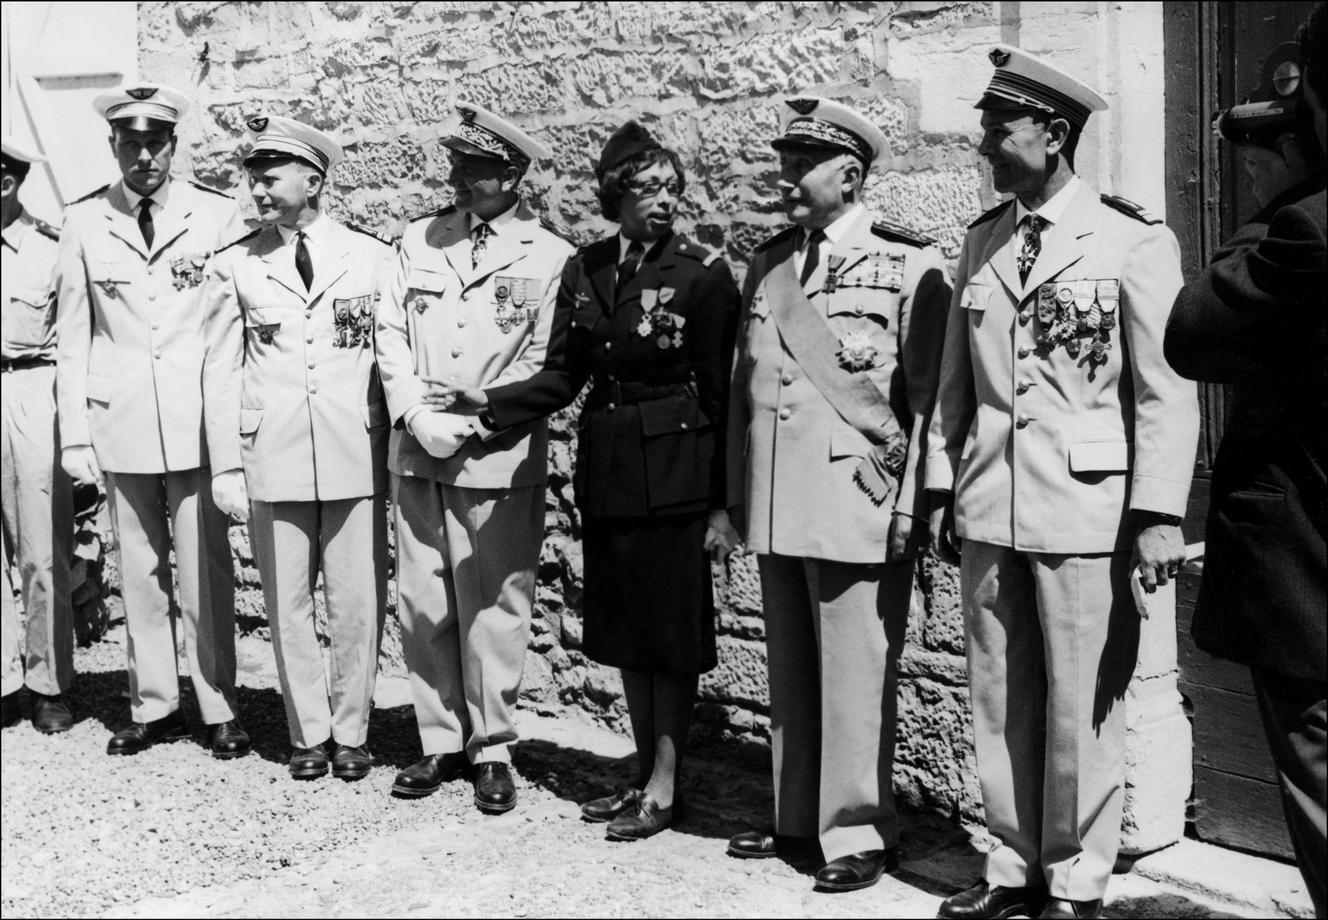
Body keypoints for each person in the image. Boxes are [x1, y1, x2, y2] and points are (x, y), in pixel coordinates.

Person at [926, 47, 1200, 920]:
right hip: (989, 500)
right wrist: (939, 487)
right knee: (998, 696)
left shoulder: (1132, 240)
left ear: (1053, 133)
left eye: (999, 132)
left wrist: (1157, 512)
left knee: (1083, 704)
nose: (985, 148)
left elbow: (1164, 392)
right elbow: (954, 386)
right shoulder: (984, 240)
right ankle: (1010, 866)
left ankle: (1076, 881)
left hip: (1089, 510)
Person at [430, 122, 742, 839]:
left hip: (678, 476)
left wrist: (724, 507)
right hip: (610, 473)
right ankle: (643, 772)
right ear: (615, 197)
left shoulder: (702, 274)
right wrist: (489, 402)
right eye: (648, 188)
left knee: (670, 636)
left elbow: (724, 400)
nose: (664, 200)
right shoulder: (590, 268)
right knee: (629, 631)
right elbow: (566, 375)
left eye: (671, 188)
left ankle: (666, 787)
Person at [724, 96, 952, 892]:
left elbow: (925, 400)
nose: (785, 179)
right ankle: (796, 816)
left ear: (849, 176)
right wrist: (736, 493)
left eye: (801, 166)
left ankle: (856, 830)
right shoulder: (770, 262)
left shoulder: (908, 263)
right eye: (784, 163)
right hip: (778, 495)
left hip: (858, 498)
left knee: (856, 674)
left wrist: (912, 503)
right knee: (790, 670)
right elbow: (743, 387)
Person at [1165, 9, 1327, 915]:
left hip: (1310, 587)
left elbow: (1192, 332)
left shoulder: (1303, 230)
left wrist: (1280, 206)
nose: (1252, 169)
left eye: (1267, 155)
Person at [375, 102, 574, 813]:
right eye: (456, 163)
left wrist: (473, 420)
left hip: (496, 454)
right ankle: (439, 738)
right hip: (418, 450)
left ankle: (492, 747)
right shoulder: (419, 239)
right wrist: (416, 415)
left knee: (494, 603)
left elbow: (544, 360)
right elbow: (389, 333)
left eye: (474, 167)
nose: (456, 177)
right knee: (423, 601)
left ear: (511, 176)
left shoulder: (549, 256)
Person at [54, 82, 250, 759]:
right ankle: (154, 704)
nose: (144, 157)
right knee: (138, 569)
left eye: (156, 143)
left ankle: (219, 705)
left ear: (174, 145)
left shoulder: (216, 214)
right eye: (131, 143)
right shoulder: (85, 220)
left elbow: (230, 329)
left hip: (197, 419)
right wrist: (75, 433)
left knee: (206, 571)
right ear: (113, 145)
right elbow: (73, 336)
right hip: (122, 418)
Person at [201, 116, 394, 781]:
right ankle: (307, 732)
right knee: (286, 602)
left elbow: (389, 358)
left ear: (313, 180)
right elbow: (220, 369)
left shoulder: (371, 257)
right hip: (273, 454)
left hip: (353, 452)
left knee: (356, 601)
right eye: (251, 179)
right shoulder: (236, 264)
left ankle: (353, 731)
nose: (256, 190)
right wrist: (227, 464)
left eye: (270, 177)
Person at [1, 136, 74, 733]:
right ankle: (2, 681)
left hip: (31, 389)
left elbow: (76, 340)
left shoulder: (50, 248)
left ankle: (47, 682)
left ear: (6, 183)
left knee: (41, 549)